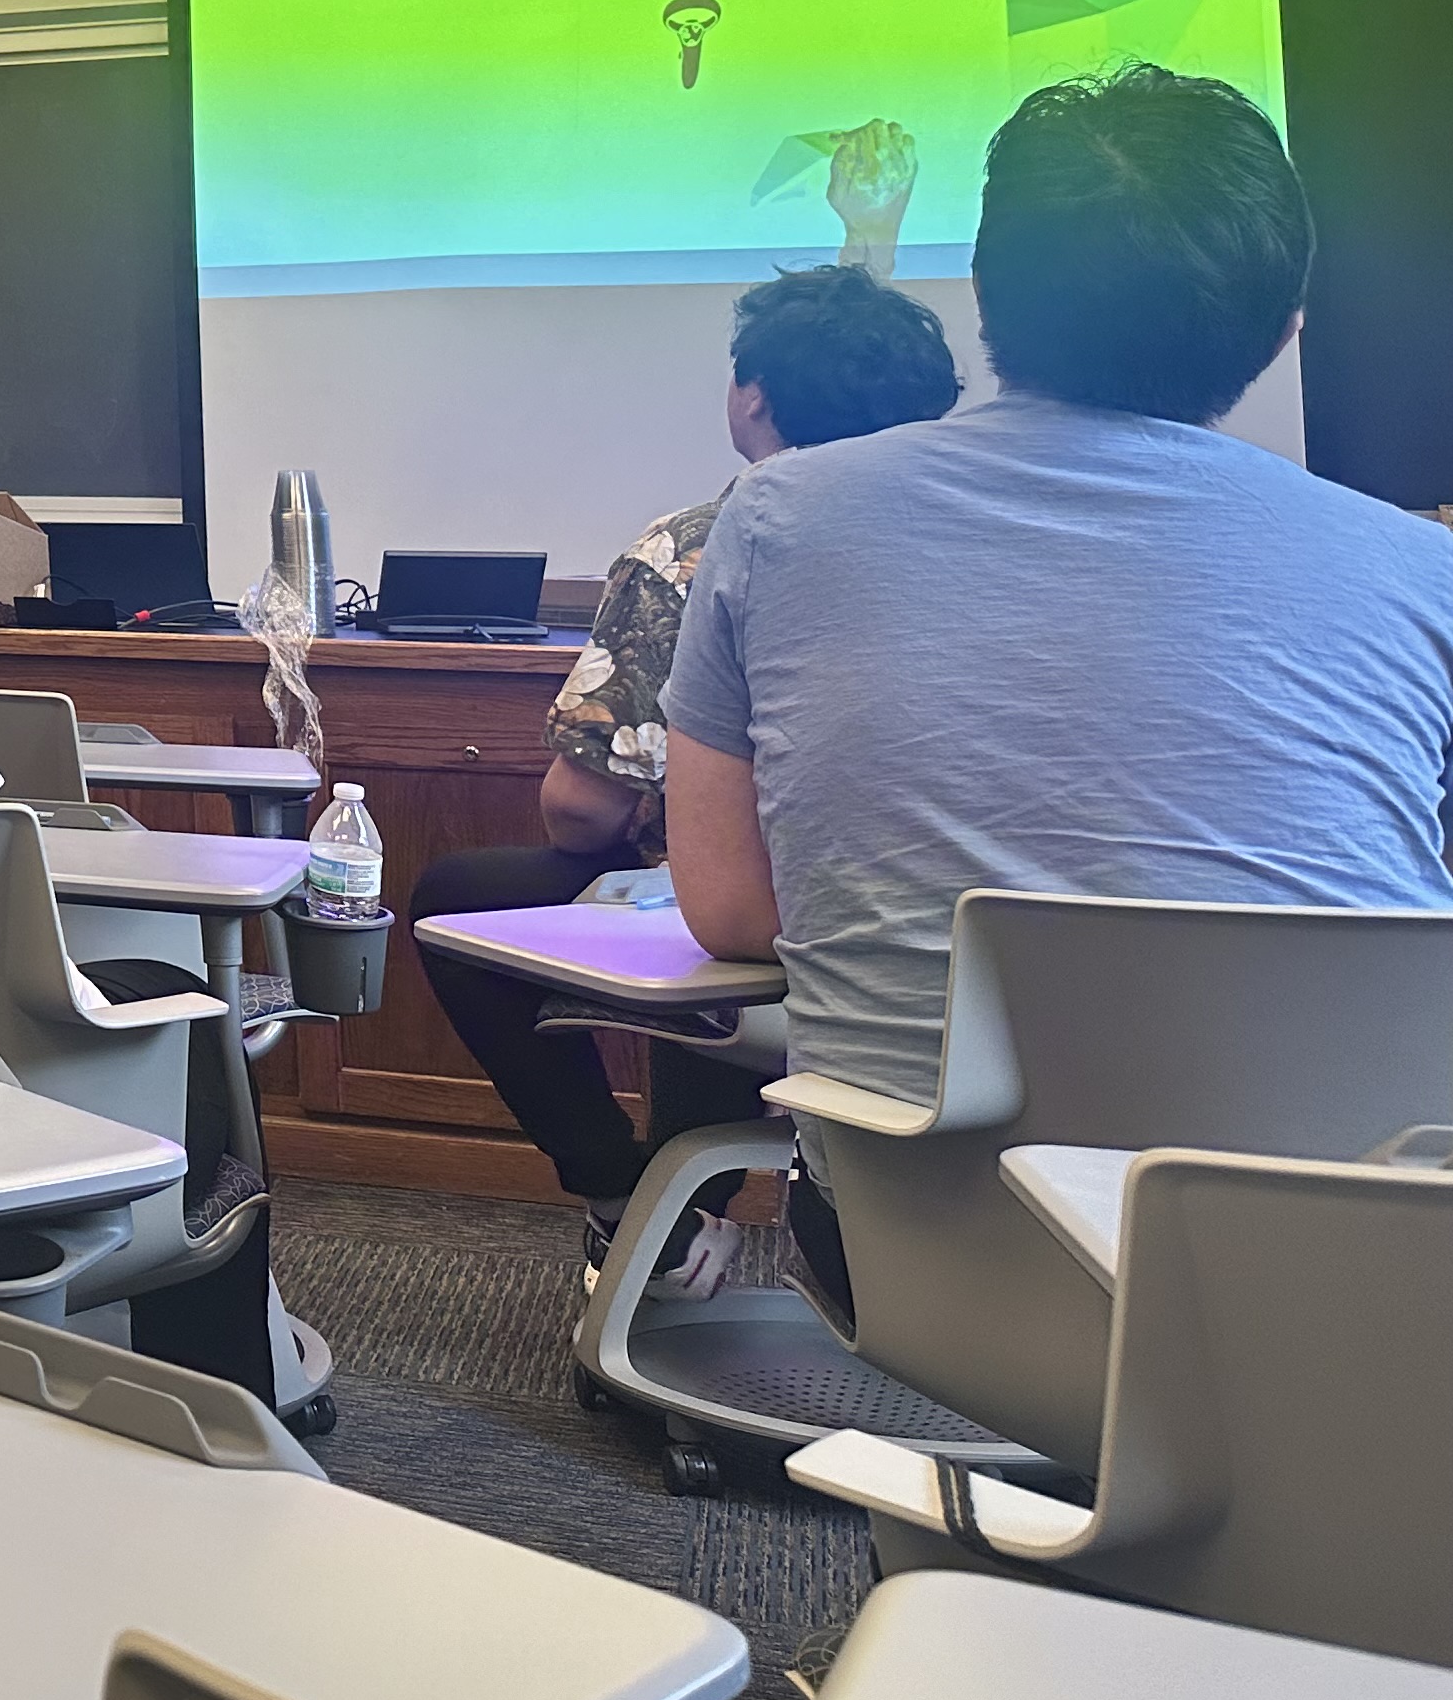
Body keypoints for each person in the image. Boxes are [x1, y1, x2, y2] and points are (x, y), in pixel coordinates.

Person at [664, 67, 1453, 1317]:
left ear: (983, 295)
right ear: (1289, 322)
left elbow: (727, 905)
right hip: (1360, 1264)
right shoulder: (1430, 574)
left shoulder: (778, 518)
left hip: (920, 1247)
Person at [414, 264, 962, 1294]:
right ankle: (692, 1215)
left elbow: (583, 808)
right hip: (976, 954)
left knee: (487, 898)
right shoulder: (995, 536)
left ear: (750, 398)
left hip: (769, 933)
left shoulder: (705, 545)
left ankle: (638, 1210)